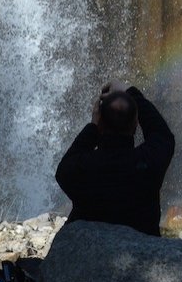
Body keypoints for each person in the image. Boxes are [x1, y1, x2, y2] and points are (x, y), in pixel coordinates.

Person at [55, 82, 175, 236]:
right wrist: (131, 92)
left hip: (90, 251)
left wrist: (93, 127)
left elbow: (63, 168)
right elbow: (161, 133)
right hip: (142, 250)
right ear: (136, 124)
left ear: (101, 124)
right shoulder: (148, 162)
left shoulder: (82, 168)